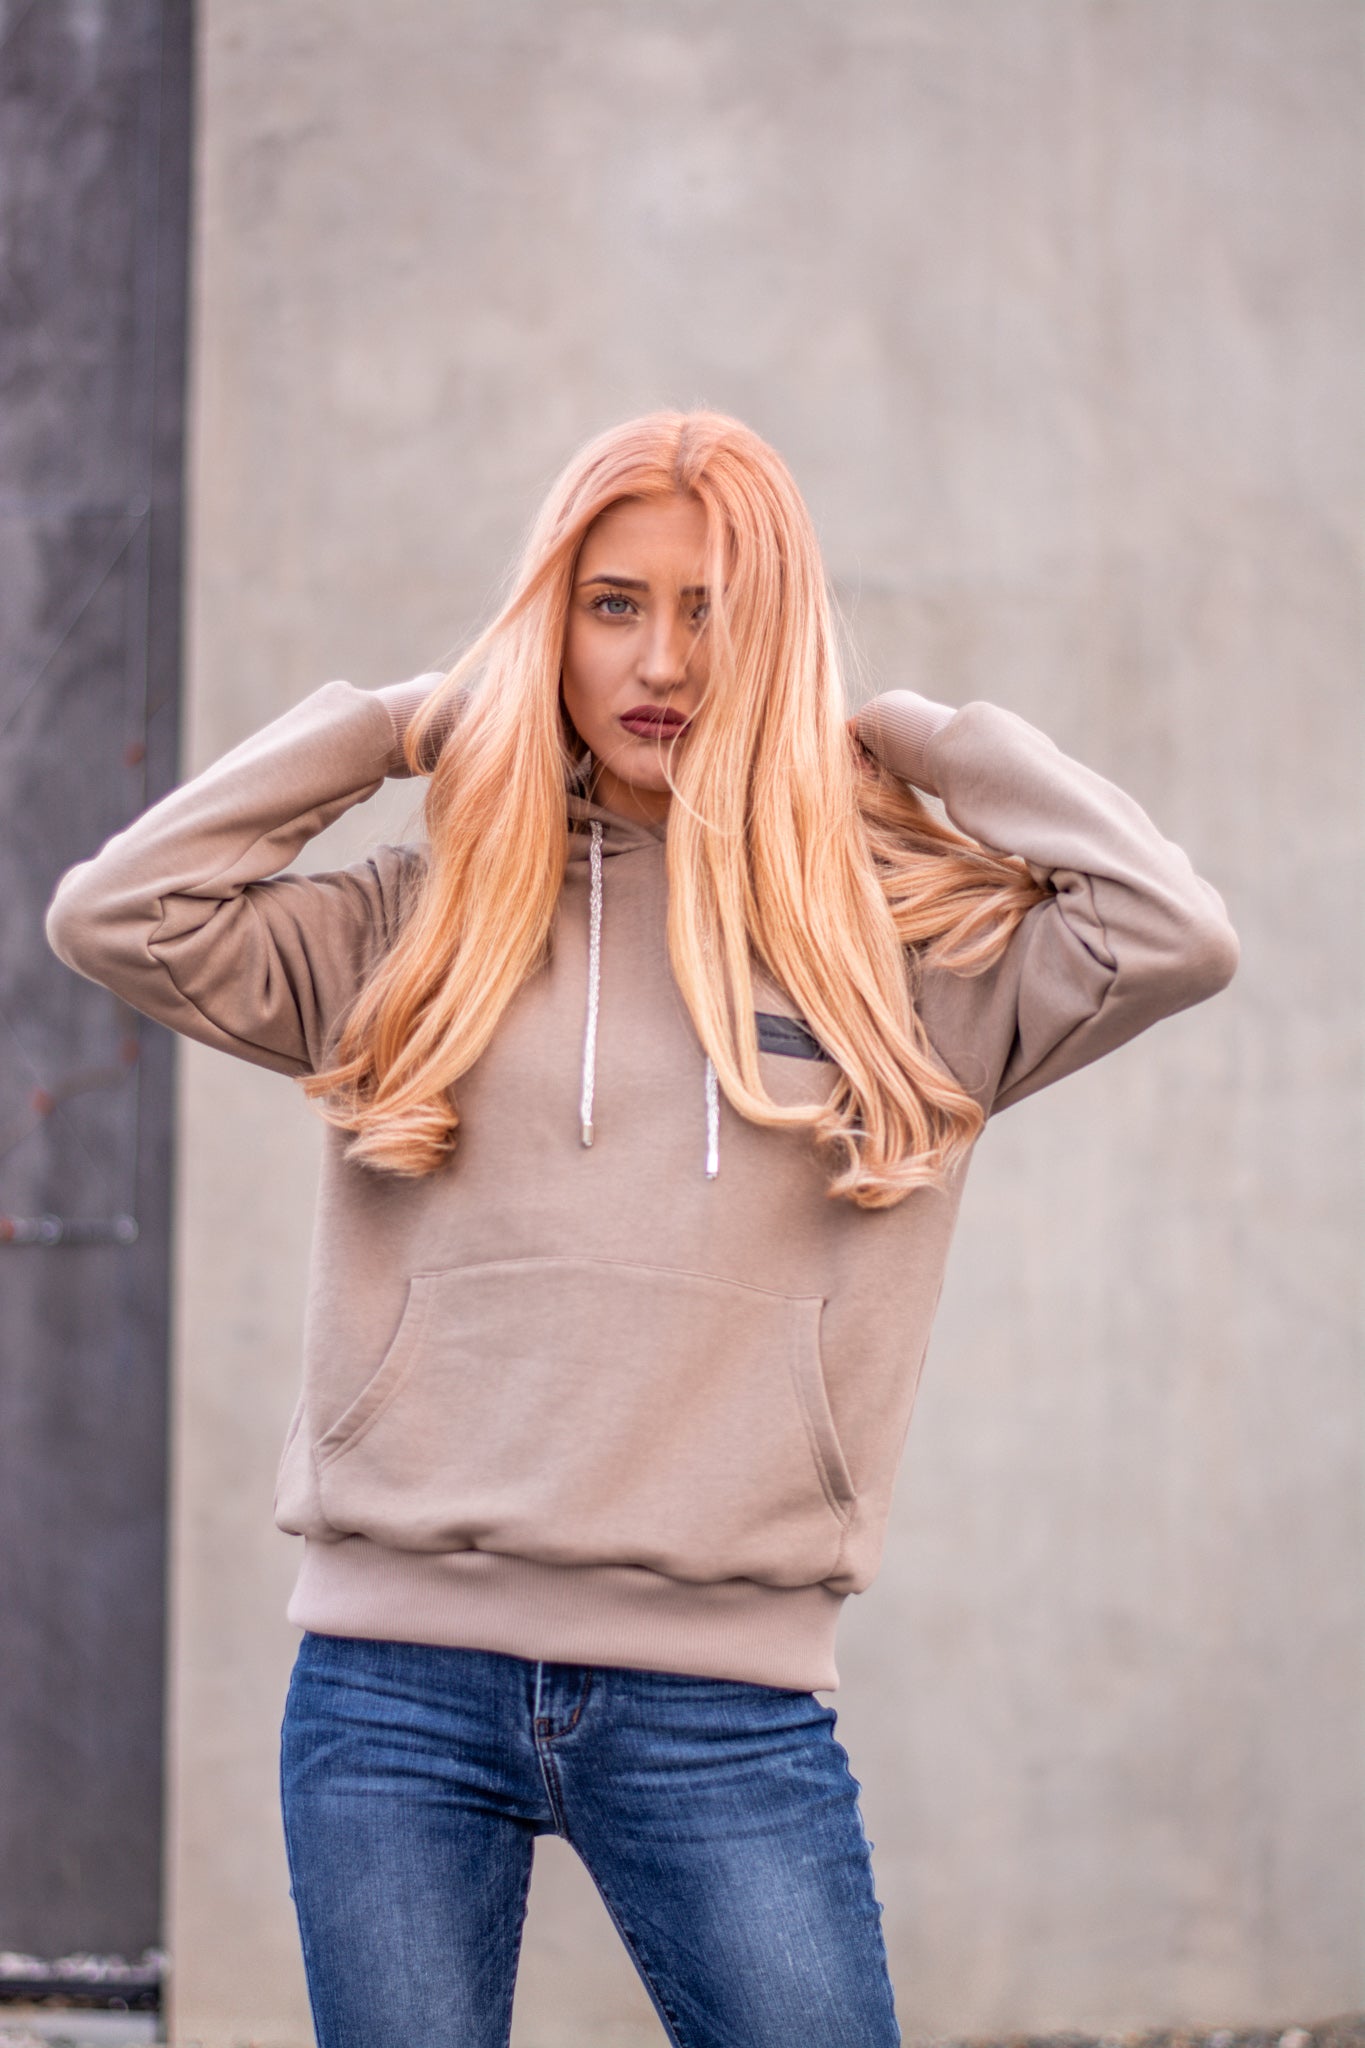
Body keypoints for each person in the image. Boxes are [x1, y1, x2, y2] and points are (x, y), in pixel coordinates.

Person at [45, 410, 1238, 2048]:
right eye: (612, 603)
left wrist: (914, 737)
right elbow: (115, 914)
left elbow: (1170, 934)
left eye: (710, 607)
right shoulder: (421, 919)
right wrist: (392, 727)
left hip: (723, 1706)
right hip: (391, 1687)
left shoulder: (896, 964)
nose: (658, 657)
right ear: (551, 625)